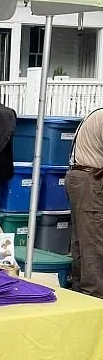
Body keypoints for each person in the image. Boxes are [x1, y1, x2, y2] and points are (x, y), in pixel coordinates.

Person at [66, 108, 103, 298]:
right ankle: (94, 296)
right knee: (93, 240)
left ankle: (81, 292)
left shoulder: (97, 113)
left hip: (83, 177)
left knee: (83, 239)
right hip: (90, 179)